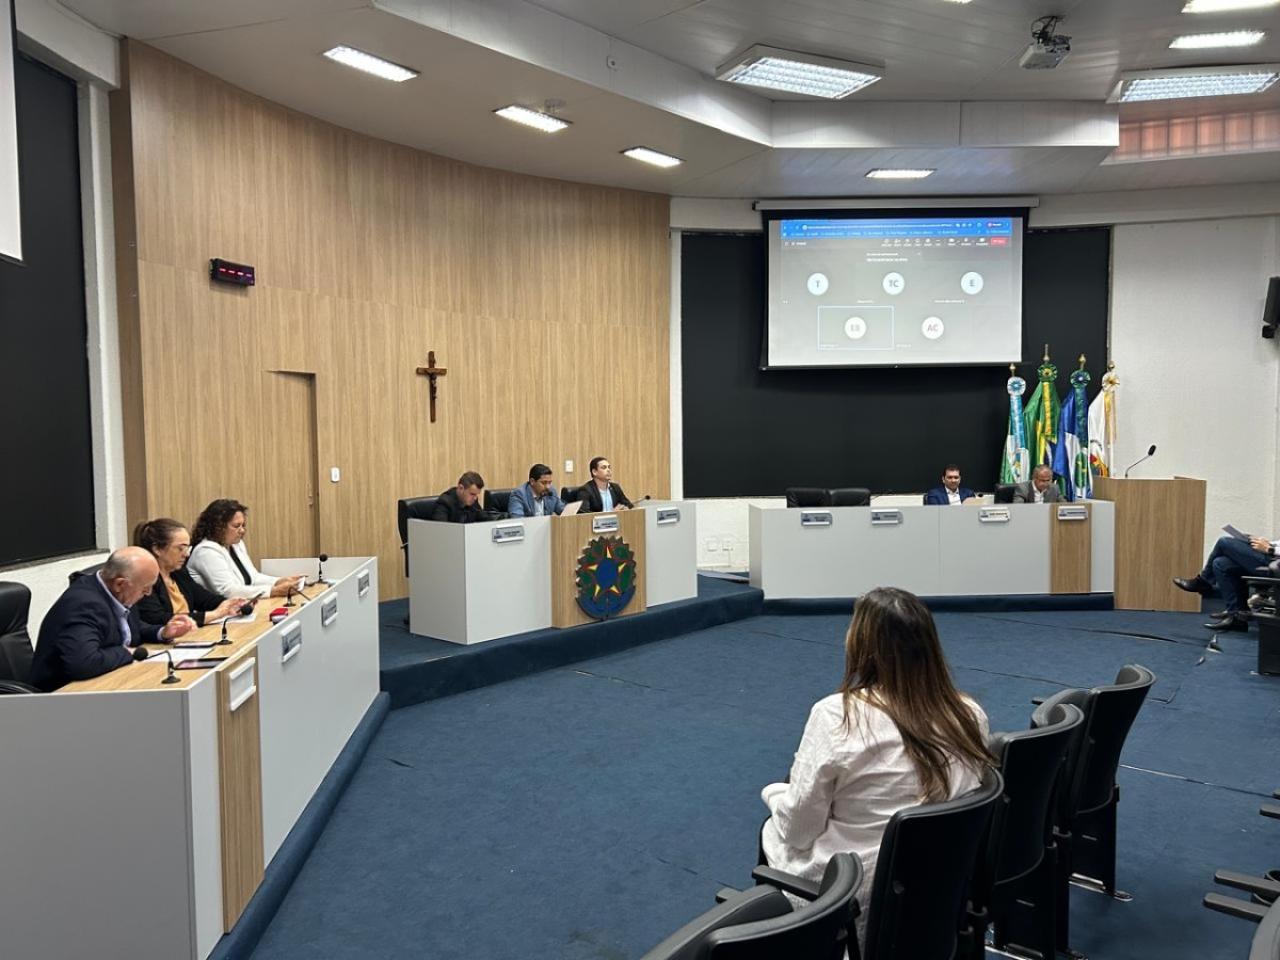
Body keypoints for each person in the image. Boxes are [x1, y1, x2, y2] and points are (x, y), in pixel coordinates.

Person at [759, 587, 993, 940]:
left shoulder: (836, 716)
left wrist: (774, 794)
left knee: (773, 827)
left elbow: (799, 831)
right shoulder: (969, 716)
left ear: (861, 645)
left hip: (856, 895)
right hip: (937, 890)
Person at [29, 547, 197, 691]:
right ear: (119, 584)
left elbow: (128, 627)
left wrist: (163, 632)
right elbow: (84, 663)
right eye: (145, 589)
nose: (148, 594)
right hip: (63, 695)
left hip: (108, 682)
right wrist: (127, 652)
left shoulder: (117, 592)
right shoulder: (83, 605)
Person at [133, 518, 249, 626]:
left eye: (187, 548)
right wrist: (214, 615)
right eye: (180, 548)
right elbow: (156, 618)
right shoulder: (144, 579)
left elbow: (204, 599)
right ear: (157, 549)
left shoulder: (179, 573)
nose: (186, 554)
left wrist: (231, 604)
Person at [187, 498, 303, 598]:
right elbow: (228, 591)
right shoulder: (205, 551)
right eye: (236, 526)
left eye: (243, 525)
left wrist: (279, 581)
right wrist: (273, 591)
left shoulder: (236, 544)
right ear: (218, 526)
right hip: (216, 611)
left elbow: (253, 578)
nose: (242, 530)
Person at [1174, 531, 1278, 632]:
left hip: (1275, 564)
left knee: (1224, 542)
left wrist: (1270, 549)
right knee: (1221, 563)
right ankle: (1236, 617)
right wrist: (1269, 543)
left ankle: (1203, 581)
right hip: (1273, 558)